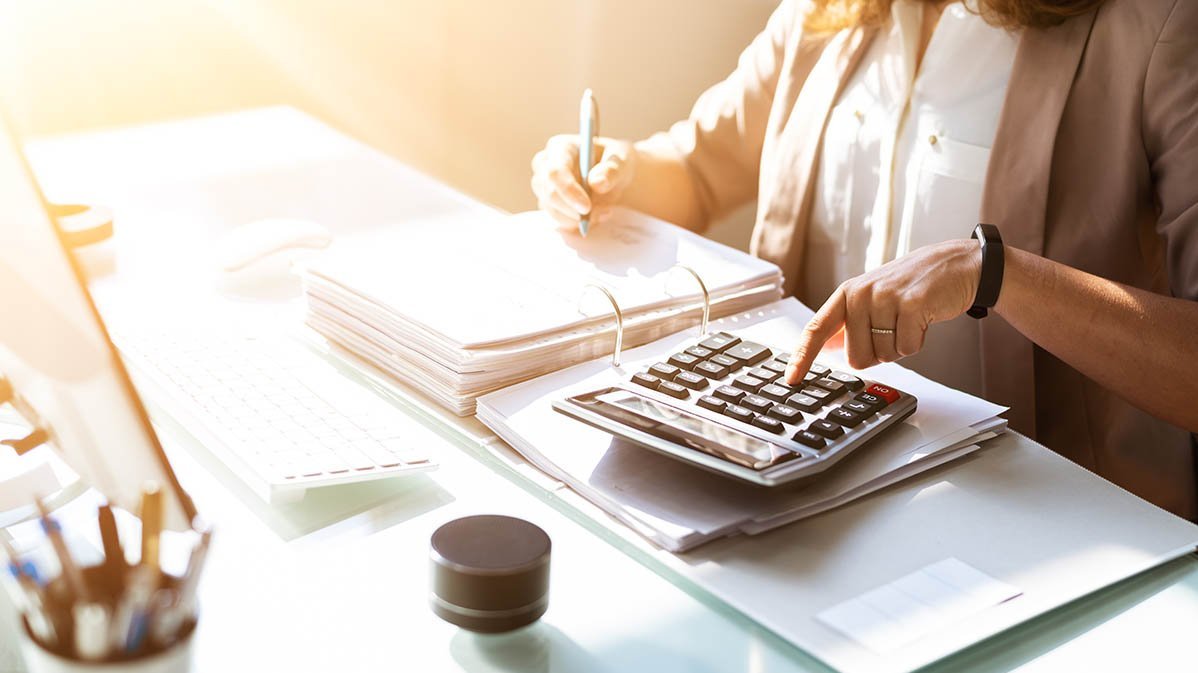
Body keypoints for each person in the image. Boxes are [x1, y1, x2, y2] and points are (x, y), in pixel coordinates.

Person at [530, 0, 1198, 519]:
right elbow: (701, 171)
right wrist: (608, 172)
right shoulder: (829, 13)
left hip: (1039, 525)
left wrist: (997, 272)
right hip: (804, 482)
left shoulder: (1159, 26)